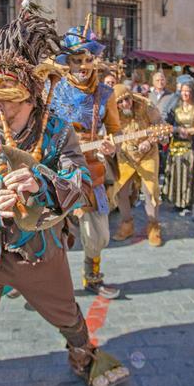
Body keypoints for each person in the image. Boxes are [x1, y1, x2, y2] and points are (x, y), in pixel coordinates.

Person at [0, 9, 130, 386]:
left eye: (8, 101)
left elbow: (79, 184)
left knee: (68, 316)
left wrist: (41, 179)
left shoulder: (57, 132)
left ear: (31, 98)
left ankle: (82, 356)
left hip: (40, 251)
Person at [50, 23, 122, 299]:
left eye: (87, 60)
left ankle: (92, 277)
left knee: (99, 234)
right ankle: (39, 281)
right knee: (52, 233)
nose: (82, 66)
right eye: (76, 60)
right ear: (67, 63)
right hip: (56, 170)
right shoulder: (52, 89)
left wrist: (111, 146)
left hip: (92, 171)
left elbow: (116, 131)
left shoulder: (105, 94)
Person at [110, 84, 165, 246]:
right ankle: (127, 225)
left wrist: (149, 141)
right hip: (125, 154)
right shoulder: (113, 111)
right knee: (120, 191)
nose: (125, 104)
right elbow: (110, 132)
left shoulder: (146, 105)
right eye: (120, 102)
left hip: (148, 154)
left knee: (150, 191)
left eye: (127, 99)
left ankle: (153, 227)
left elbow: (161, 126)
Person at [162, 77, 194, 214]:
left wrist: (192, 131)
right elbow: (168, 123)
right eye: (183, 91)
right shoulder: (176, 106)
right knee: (176, 172)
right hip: (176, 143)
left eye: (188, 91)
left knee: (188, 173)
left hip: (191, 145)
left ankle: (188, 202)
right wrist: (177, 130)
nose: (185, 94)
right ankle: (176, 201)